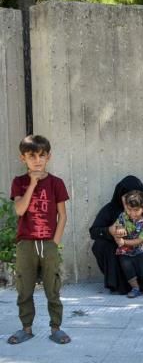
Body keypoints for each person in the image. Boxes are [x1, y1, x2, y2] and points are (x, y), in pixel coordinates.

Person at [8, 135, 70, 344]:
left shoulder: (56, 183)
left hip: (48, 243)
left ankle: (56, 328)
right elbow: (19, 209)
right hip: (26, 244)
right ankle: (26, 328)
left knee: (52, 287)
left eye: (41, 155)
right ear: (22, 158)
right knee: (24, 288)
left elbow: (63, 215)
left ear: (48, 157)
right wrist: (32, 184)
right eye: (31, 156)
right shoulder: (19, 182)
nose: (37, 160)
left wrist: (55, 242)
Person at [90, 176, 143, 295]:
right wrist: (109, 230)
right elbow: (94, 231)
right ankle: (118, 285)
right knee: (99, 245)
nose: (130, 200)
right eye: (126, 196)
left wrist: (139, 220)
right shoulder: (110, 209)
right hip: (121, 257)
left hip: (142, 255)